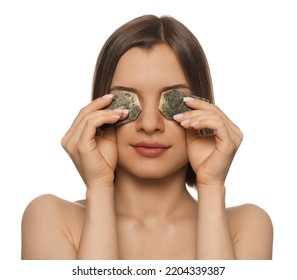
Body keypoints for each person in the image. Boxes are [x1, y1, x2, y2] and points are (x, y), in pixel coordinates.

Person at [21, 15, 273, 260]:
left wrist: (211, 186)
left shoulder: (246, 227)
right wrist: (98, 188)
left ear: (203, 107)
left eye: (173, 101)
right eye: (126, 101)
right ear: (100, 109)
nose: (150, 125)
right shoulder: (51, 218)